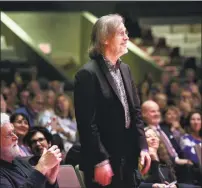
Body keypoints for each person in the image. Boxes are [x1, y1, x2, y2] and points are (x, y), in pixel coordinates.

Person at [74, 14, 151, 188]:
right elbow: (87, 124)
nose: (127, 38)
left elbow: (135, 112)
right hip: (103, 161)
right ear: (105, 39)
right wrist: (100, 160)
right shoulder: (87, 74)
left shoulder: (125, 69)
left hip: (128, 158)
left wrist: (143, 147)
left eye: (126, 33)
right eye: (121, 33)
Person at [0, 112, 62, 188]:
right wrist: (41, 167)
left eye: (14, 132)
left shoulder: (20, 161)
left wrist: (50, 181)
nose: (16, 137)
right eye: (9, 134)